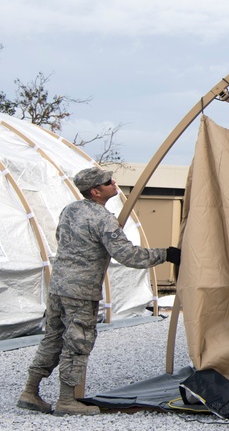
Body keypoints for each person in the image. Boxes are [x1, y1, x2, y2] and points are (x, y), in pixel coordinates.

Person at [16, 168, 180, 416]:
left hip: (59, 286)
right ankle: (66, 400)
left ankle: (30, 391)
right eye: (107, 182)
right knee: (78, 342)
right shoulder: (102, 219)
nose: (114, 183)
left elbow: (62, 239)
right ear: (95, 191)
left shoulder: (70, 210)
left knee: (52, 338)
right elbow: (127, 255)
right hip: (82, 291)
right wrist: (167, 254)